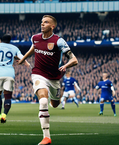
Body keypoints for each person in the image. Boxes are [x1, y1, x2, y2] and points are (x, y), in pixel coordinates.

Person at [18, 15, 78, 145]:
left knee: (54, 104)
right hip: (38, 74)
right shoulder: (35, 38)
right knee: (43, 100)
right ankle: (46, 137)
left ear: (52, 26)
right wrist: (23, 59)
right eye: (41, 22)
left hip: (54, 78)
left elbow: (74, 60)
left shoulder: (59, 41)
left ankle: (55, 99)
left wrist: (66, 65)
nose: (42, 24)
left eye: (46, 22)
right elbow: (34, 48)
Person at [0, 34, 23, 123]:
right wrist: (22, 62)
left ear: (1, 40)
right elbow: (22, 57)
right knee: (8, 95)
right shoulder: (14, 48)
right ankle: (4, 115)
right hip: (10, 73)